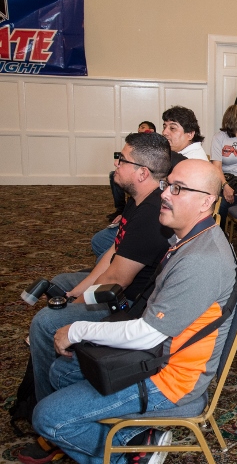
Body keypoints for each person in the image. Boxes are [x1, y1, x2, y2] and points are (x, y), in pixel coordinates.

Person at [22, 159, 237, 464]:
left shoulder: (201, 260)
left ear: (206, 202)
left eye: (178, 189)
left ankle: (130, 456)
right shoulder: (190, 239)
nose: (165, 194)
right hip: (160, 356)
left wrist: (76, 330)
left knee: (47, 417)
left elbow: (146, 333)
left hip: (172, 381)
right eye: (167, 185)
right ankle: (135, 437)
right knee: (61, 371)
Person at [28, 132, 175, 408]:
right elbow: (112, 252)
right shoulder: (138, 200)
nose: (116, 164)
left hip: (126, 303)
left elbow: (115, 280)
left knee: (44, 322)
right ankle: (58, 353)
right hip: (117, 285)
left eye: (122, 159)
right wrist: (76, 292)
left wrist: (76, 303)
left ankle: (45, 405)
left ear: (142, 173)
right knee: (62, 284)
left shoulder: (150, 216)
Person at [106, 122, 157, 222]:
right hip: (134, 169)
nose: (139, 129)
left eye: (142, 127)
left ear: (151, 131)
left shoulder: (156, 144)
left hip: (146, 172)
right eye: (138, 127)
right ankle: (120, 209)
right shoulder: (134, 143)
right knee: (114, 175)